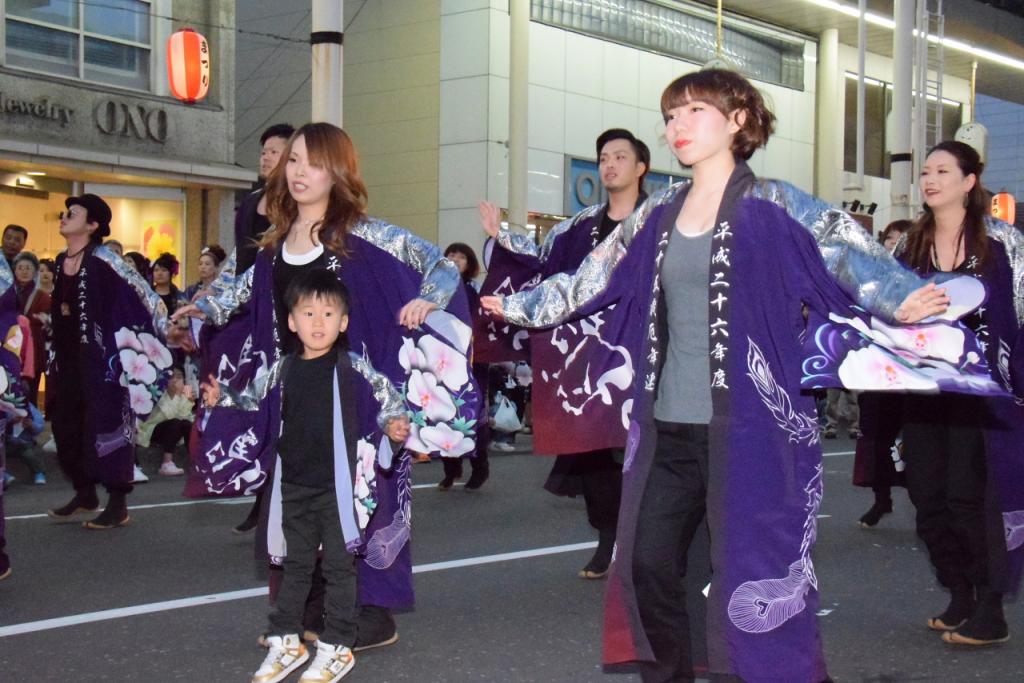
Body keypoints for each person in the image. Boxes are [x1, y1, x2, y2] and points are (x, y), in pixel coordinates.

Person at [481, 69, 991, 682]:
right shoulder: (656, 215)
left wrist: (900, 296)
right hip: (667, 428)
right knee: (646, 566)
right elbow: (590, 279)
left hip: (751, 430)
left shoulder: (776, 205)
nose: (678, 126)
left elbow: (851, 253)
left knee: (754, 572)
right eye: (671, 115)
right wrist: (515, 306)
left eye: (695, 110)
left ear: (739, 120)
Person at [172, 122, 478, 650]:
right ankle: (312, 600)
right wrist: (200, 309)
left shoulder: (367, 236)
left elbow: (441, 265)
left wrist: (428, 298)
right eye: (292, 161)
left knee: (360, 500)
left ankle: (372, 611)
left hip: (353, 396)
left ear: (337, 171)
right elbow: (241, 295)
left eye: (312, 162)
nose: (297, 172)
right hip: (293, 397)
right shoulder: (274, 247)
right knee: (298, 500)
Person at [203, 270, 409, 683]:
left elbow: (390, 396)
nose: (318, 322)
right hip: (292, 487)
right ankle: (286, 641)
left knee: (338, 569)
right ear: (292, 322)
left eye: (329, 313)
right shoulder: (283, 368)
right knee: (295, 567)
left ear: (344, 322)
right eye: (308, 313)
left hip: (338, 491)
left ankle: (337, 646)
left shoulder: (353, 367)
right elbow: (251, 397)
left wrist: (394, 425)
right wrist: (220, 396)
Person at [478, 127, 651, 579]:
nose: (610, 164)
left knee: (643, 453)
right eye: (603, 158)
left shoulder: (659, 221)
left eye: (620, 156)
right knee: (594, 451)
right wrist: (506, 239)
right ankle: (608, 537)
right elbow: (541, 265)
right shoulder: (577, 229)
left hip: (646, 351)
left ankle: (642, 545)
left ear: (641, 168)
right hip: (589, 355)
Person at [894, 140, 1024, 646]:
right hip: (923, 387)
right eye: (925, 171)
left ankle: (991, 609)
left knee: (971, 498)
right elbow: (886, 308)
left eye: (942, 171)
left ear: (969, 182)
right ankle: (960, 592)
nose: (929, 179)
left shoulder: (1004, 241)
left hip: (984, 390)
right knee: (928, 497)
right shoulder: (909, 245)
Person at [45, 194, 173, 530]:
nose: (64, 216)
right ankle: (85, 492)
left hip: (103, 362)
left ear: (92, 225)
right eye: (65, 212)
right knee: (66, 425)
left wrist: (161, 332)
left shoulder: (107, 261)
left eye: (73, 213)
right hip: (67, 360)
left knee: (108, 427)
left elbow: (145, 297)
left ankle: (118, 503)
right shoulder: (60, 261)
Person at [853, 217, 915, 528]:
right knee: (877, 440)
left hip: (914, 377)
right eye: (890, 239)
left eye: (901, 239)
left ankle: (923, 502)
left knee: (914, 443)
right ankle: (881, 500)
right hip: (878, 374)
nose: (894, 245)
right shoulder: (872, 279)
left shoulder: (921, 279)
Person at [438, 242, 490, 491]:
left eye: (461, 257)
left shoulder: (475, 289)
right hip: (443, 361)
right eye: (451, 255)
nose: (456, 260)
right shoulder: (434, 288)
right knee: (445, 416)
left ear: (469, 263)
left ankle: (480, 468)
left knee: (473, 416)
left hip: (474, 361)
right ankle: (451, 468)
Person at [234, 123, 296, 274]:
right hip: (245, 291)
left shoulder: (297, 202)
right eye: (263, 153)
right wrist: (217, 288)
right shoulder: (250, 201)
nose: (266, 158)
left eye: (274, 152)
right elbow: (238, 253)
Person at [136, 366, 194, 476]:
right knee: (175, 422)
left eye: (179, 377)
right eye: (172, 377)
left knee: (187, 425)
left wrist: (188, 401)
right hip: (151, 431)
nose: (175, 380)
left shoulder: (183, 396)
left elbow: (185, 418)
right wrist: (173, 395)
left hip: (172, 432)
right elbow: (169, 415)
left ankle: (195, 461)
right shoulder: (157, 394)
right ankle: (167, 463)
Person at [12, 252, 51, 405]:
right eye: (20, 267)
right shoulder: (7, 293)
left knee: (31, 391)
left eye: (28, 268)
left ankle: (30, 424)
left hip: (33, 350)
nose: (24, 271)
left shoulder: (42, 296)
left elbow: (48, 322)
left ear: (35, 272)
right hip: (10, 349)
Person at [151, 252, 187, 316]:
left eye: (164, 270)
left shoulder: (180, 297)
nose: (159, 273)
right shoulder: (147, 294)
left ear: (171, 273)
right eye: (156, 270)